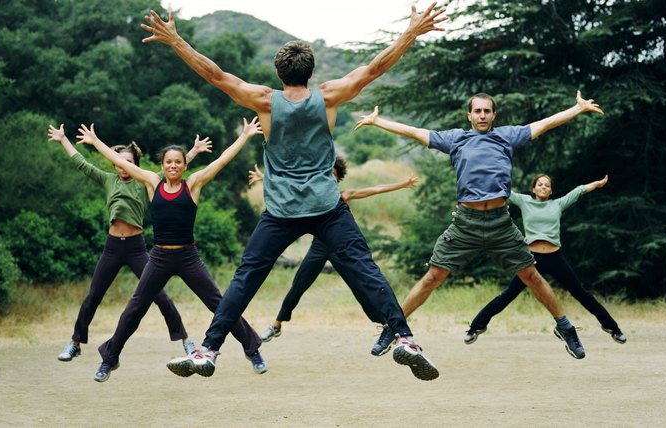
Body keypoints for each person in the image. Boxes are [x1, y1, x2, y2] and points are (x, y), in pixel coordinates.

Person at [142, 3, 447, 381]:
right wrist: (410, 33)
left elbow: (216, 76)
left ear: (278, 72)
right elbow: (375, 68)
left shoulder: (265, 101)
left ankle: (208, 350)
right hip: (326, 206)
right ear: (312, 71)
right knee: (365, 269)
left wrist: (176, 41)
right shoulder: (330, 96)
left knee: (246, 278)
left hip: (282, 210)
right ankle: (404, 339)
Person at [354, 90, 604, 360]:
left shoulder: (506, 136)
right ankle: (393, 328)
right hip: (465, 223)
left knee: (531, 276)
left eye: (487, 111)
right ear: (469, 115)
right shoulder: (456, 139)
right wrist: (379, 122)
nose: (482, 115)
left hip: (500, 223)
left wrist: (576, 109)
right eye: (478, 111)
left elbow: (543, 124)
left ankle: (565, 328)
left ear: (494, 115)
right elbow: (416, 132)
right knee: (433, 277)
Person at [74, 118, 266, 382]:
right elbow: (122, 163)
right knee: (136, 307)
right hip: (160, 257)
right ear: (162, 165)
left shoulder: (194, 184)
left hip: (188, 256)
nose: (173, 165)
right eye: (168, 162)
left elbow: (221, 161)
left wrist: (244, 136)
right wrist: (96, 142)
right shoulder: (153, 183)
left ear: (185, 164)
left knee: (220, 304)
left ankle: (252, 350)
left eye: (178, 162)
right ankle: (109, 359)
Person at [47, 124, 210, 363]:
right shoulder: (107, 180)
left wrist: (193, 152)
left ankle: (186, 341)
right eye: (120, 162)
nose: (125, 167)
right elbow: (81, 163)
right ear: (115, 164)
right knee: (93, 295)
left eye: (130, 163)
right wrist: (63, 140)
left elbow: (173, 170)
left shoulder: (145, 182)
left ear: (136, 165)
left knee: (161, 296)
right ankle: (75, 343)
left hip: (136, 247)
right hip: (112, 247)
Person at [247, 158, 420, 343]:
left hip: (340, 249)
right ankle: (276, 325)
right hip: (319, 248)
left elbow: (376, 189)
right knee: (298, 285)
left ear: (337, 179)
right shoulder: (312, 194)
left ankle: (389, 327)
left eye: (333, 174)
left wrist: (403, 184)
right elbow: (291, 186)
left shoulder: (344, 195)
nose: (329, 176)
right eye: (326, 173)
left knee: (361, 289)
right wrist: (264, 177)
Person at [464, 173, 627, 345]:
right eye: (540, 184)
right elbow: (502, 191)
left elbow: (579, 191)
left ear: (550, 191)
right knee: (509, 294)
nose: (543, 187)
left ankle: (612, 328)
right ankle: (475, 327)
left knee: (580, 292)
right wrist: (480, 177)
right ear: (534, 189)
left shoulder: (557, 204)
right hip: (531, 259)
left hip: (555, 258)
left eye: (547, 185)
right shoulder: (524, 201)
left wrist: (597, 183)